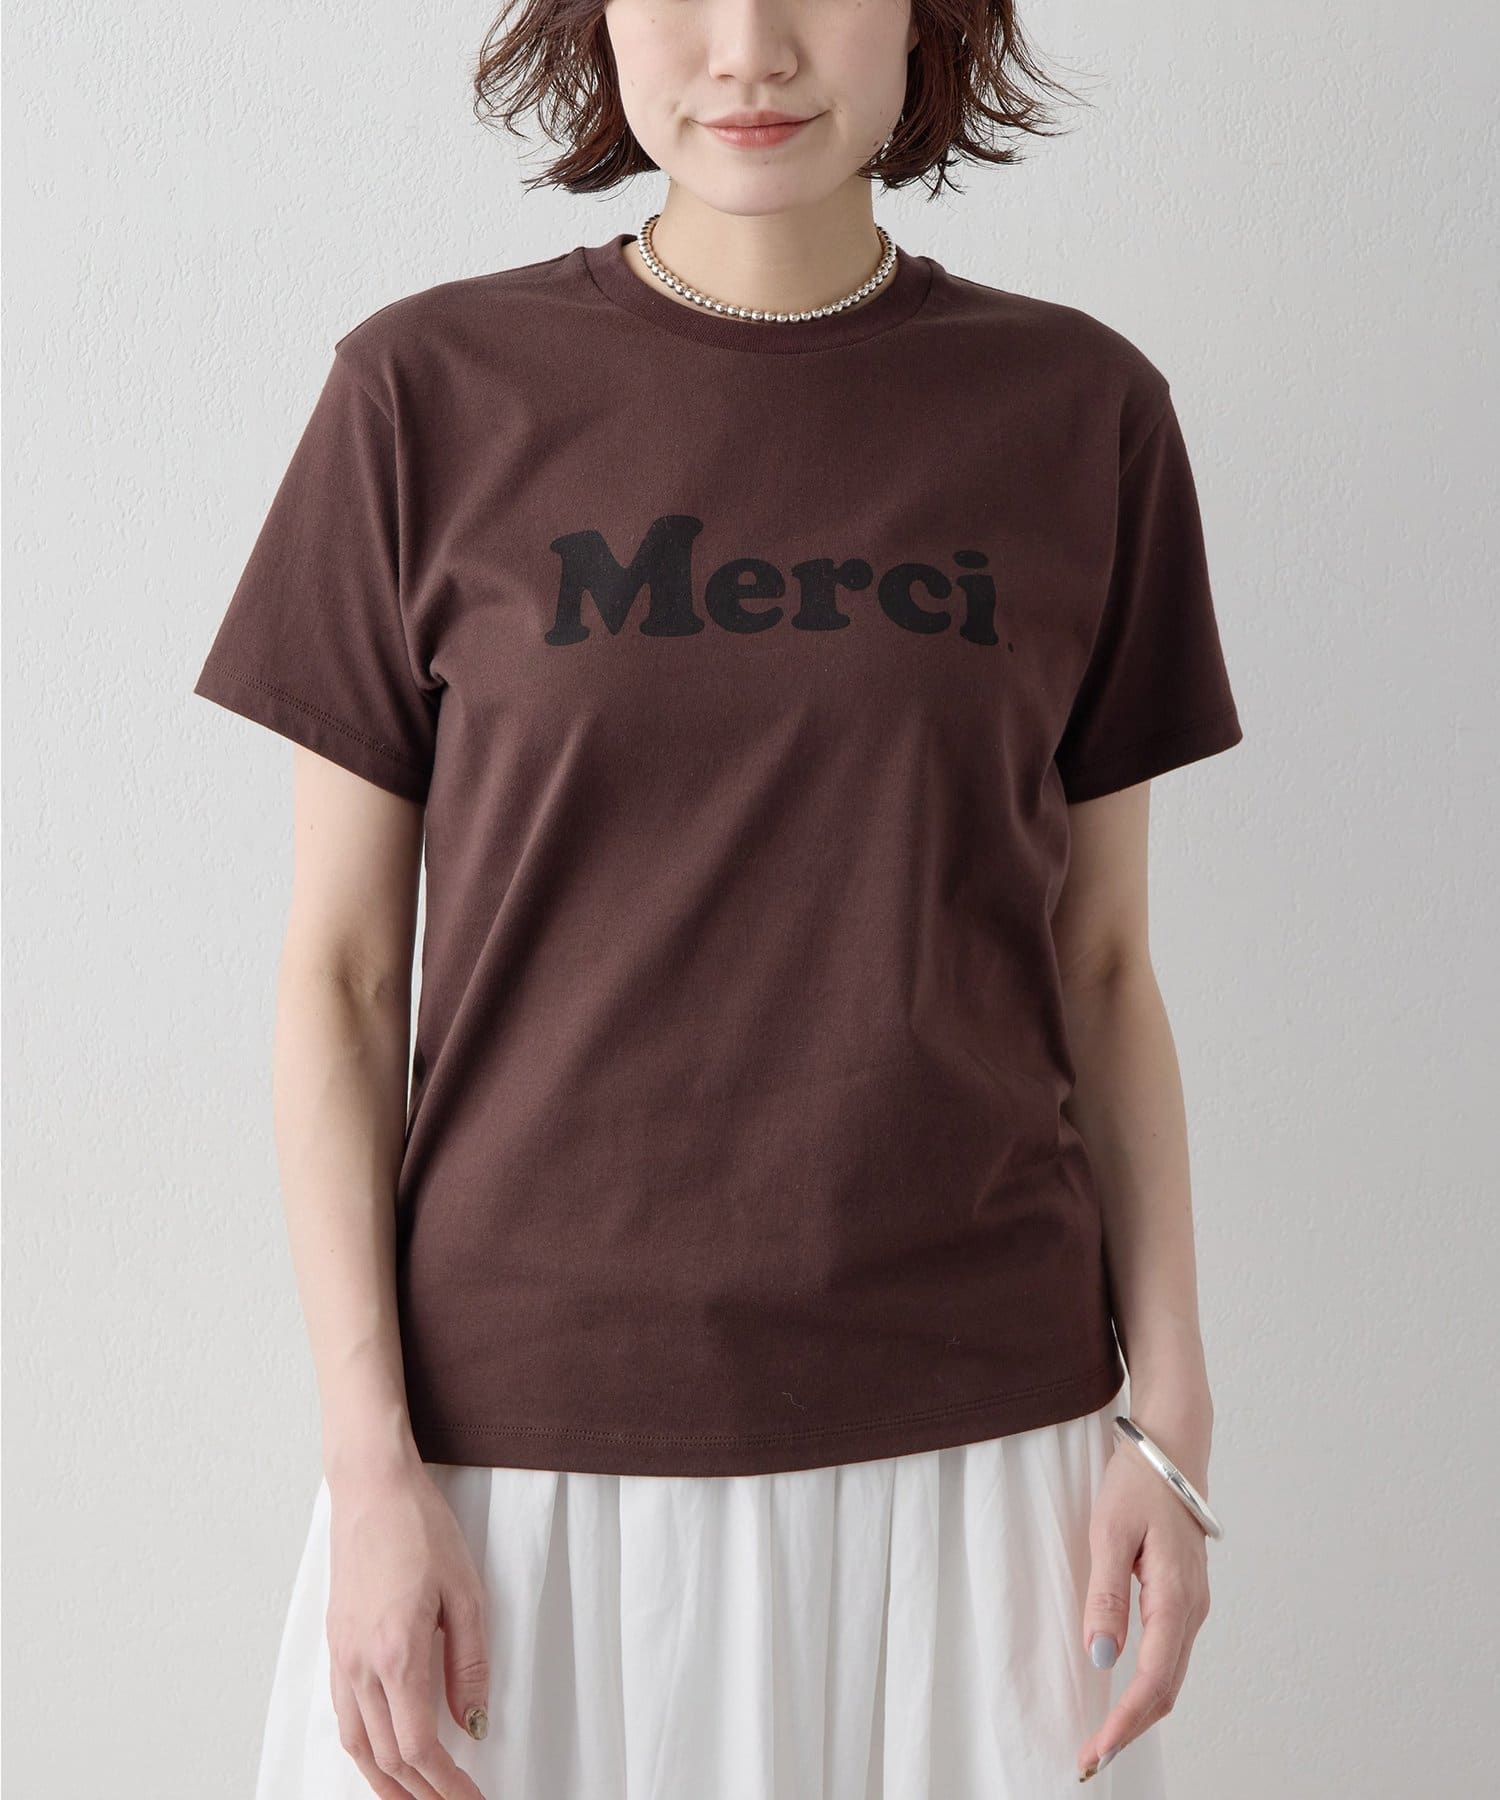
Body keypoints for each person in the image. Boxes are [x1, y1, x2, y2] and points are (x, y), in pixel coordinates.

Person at [192, 0, 1244, 1794]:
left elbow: (1107, 966)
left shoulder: (1083, 412)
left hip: (982, 1442)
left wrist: (1174, 1423)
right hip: (519, 1453)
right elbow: (345, 980)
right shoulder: (424, 393)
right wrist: (370, 1466)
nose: (748, 48)